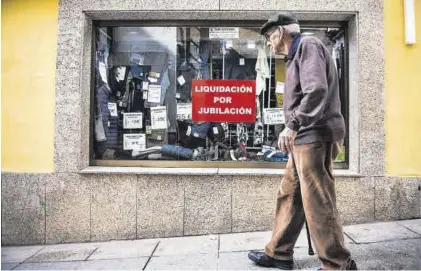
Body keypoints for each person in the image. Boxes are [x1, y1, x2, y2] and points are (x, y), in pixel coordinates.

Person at [248, 12, 357, 270]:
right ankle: (279, 253)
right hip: (304, 137)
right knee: (290, 193)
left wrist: (293, 124)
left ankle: (338, 263)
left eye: (268, 36)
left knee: (317, 200)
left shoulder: (307, 45)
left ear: (280, 32)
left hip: (314, 135)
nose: (267, 43)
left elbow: (316, 89)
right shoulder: (295, 54)